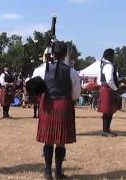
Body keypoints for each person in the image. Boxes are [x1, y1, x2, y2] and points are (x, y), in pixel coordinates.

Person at [31, 41, 81, 180]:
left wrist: (42, 95)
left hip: (47, 105)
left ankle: (48, 172)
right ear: (65, 54)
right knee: (60, 141)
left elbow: (32, 87)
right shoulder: (72, 72)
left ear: (52, 53)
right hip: (64, 105)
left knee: (48, 140)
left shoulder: (40, 70)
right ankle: (58, 173)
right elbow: (76, 94)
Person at [97, 48, 121, 137]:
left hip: (104, 88)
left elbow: (99, 80)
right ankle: (105, 130)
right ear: (110, 56)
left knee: (108, 111)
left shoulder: (103, 65)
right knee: (108, 111)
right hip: (108, 89)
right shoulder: (109, 66)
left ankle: (106, 129)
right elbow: (110, 80)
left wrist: (102, 86)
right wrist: (115, 89)